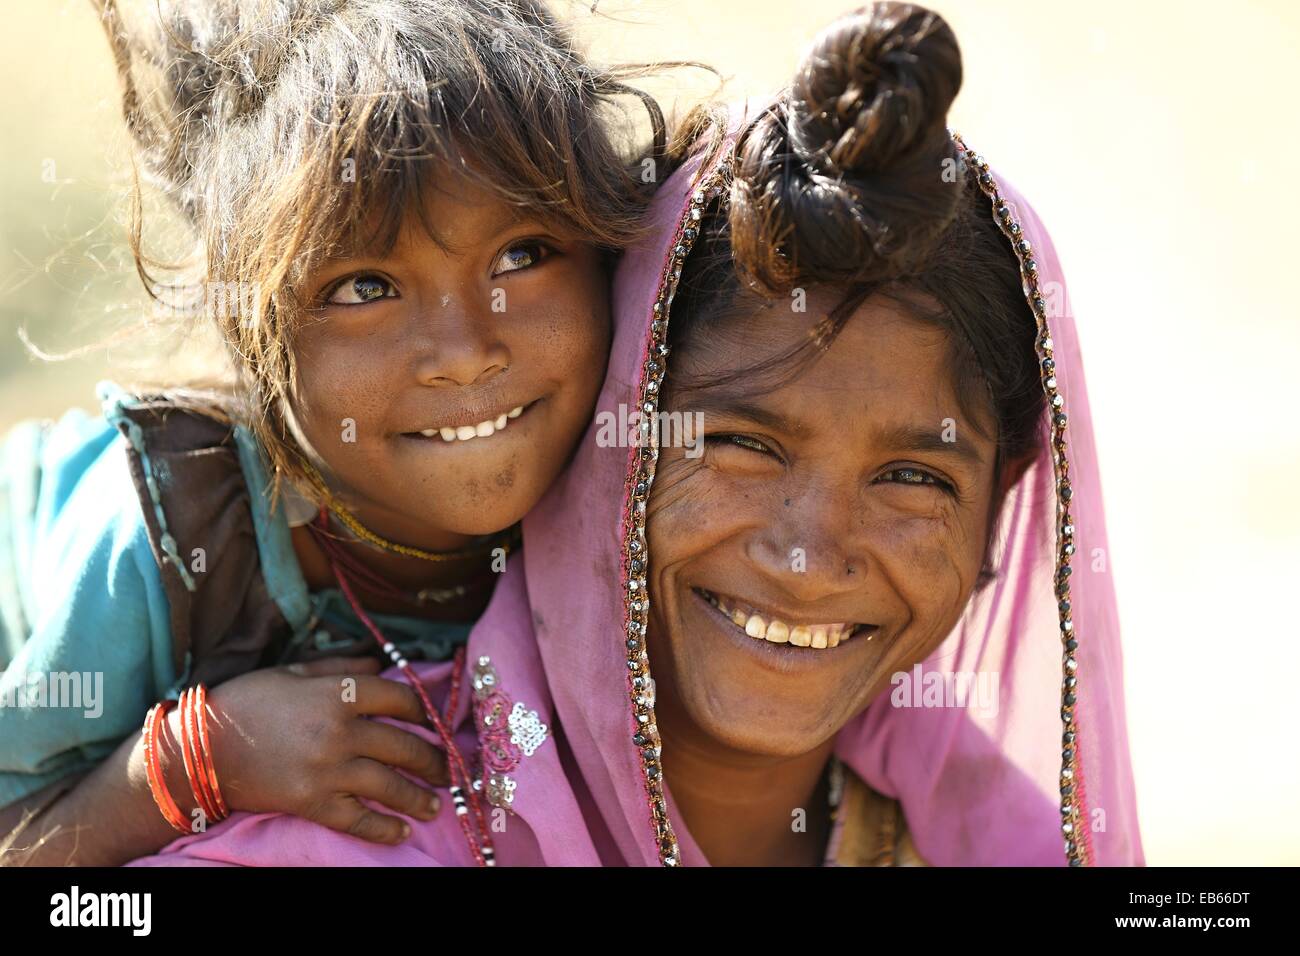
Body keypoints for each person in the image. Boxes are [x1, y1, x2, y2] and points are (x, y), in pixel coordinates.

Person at [129, 2, 1142, 866]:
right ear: (610, 450)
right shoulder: (354, 817)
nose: (806, 556)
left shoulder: (992, 836)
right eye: (742, 444)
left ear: (997, 512)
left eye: (913, 476)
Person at [0, 0, 668, 866]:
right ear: (255, 328)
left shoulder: (640, 465)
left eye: (522, 255)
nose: (464, 357)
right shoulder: (162, 543)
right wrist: (204, 756)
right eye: (363, 288)